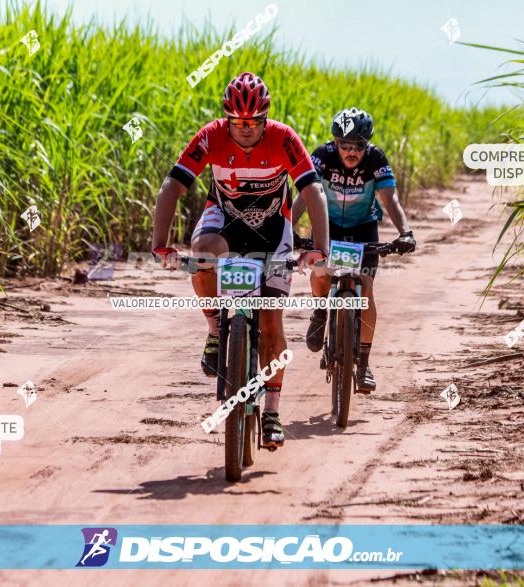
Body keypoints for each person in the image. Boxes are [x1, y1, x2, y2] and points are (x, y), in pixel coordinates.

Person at [151, 72, 329, 448]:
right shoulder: (210, 136)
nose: (246, 129)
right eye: (238, 122)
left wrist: (319, 249)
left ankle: (273, 413)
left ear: (265, 119)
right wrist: (160, 244)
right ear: (227, 119)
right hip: (225, 221)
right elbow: (173, 186)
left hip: (272, 227)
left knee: (270, 320)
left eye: (253, 123)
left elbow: (313, 191)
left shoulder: (283, 138)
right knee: (201, 256)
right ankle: (216, 330)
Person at [291, 107, 415, 393]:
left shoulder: (376, 159)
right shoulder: (322, 156)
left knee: (366, 290)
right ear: (335, 142)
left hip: (363, 229)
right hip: (328, 227)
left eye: (357, 147)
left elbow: (390, 200)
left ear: (366, 145)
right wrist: (287, 229)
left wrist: (405, 232)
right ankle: (320, 312)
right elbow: (303, 198)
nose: (350, 152)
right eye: (344, 145)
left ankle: (365, 364)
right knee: (321, 272)